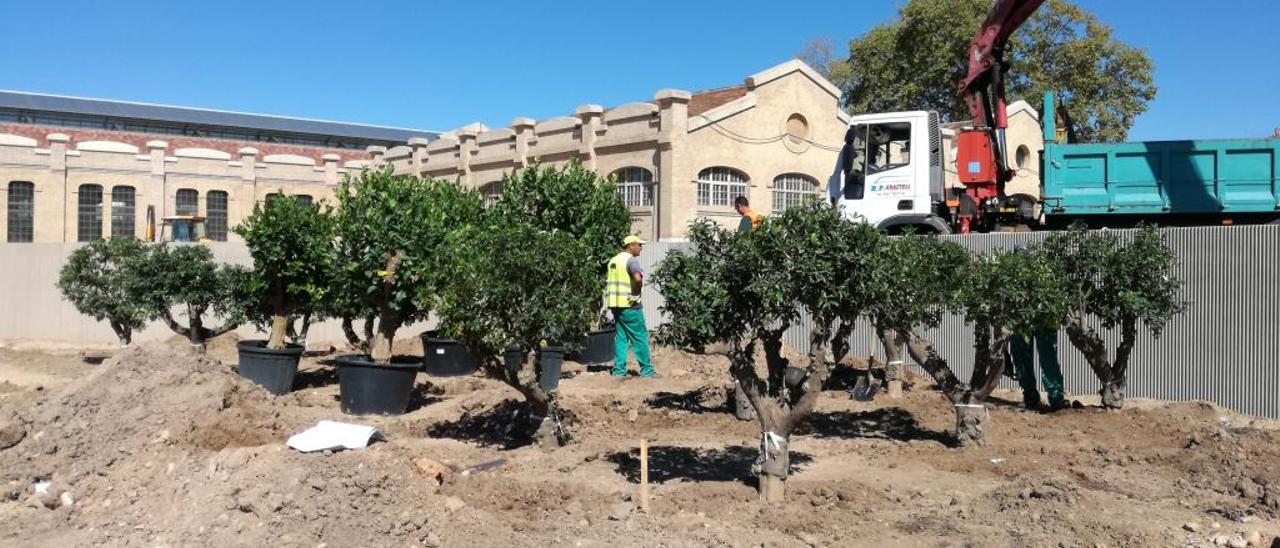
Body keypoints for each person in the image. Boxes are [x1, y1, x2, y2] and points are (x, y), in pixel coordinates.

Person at [1009, 243, 1067, 411]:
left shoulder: (1044, 272)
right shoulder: (1011, 274)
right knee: (1022, 360)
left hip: (1043, 321)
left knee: (1047, 359)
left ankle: (1056, 398)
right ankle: (1031, 397)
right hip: (1021, 322)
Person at [605, 235, 656, 378]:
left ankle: (619, 370)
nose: (641, 247)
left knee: (621, 337)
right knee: (639, 336)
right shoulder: (631, 260)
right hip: (630, 305)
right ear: (631, 245)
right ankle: (647, 370)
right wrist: (637, 289)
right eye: (639, 245)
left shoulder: (613, 260)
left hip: (616, 305)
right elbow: (637, 278)